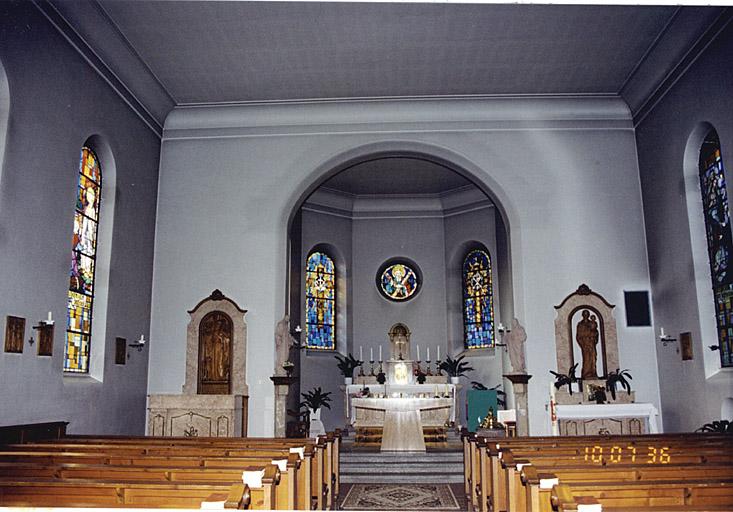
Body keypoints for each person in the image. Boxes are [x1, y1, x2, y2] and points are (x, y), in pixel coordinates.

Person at [576, 310, 599, 379]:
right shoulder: (580, 324)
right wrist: (582, 344)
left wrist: (594, 336)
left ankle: (593, 373)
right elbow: (579, 336)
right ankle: (586, 373)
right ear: (583, 315)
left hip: (591, 343)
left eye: (587, 314)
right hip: (585, 344)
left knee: (593, 358)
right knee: (586, 359)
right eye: (584, 314)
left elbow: (596, 333)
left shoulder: (592, 323)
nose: (586, 315)